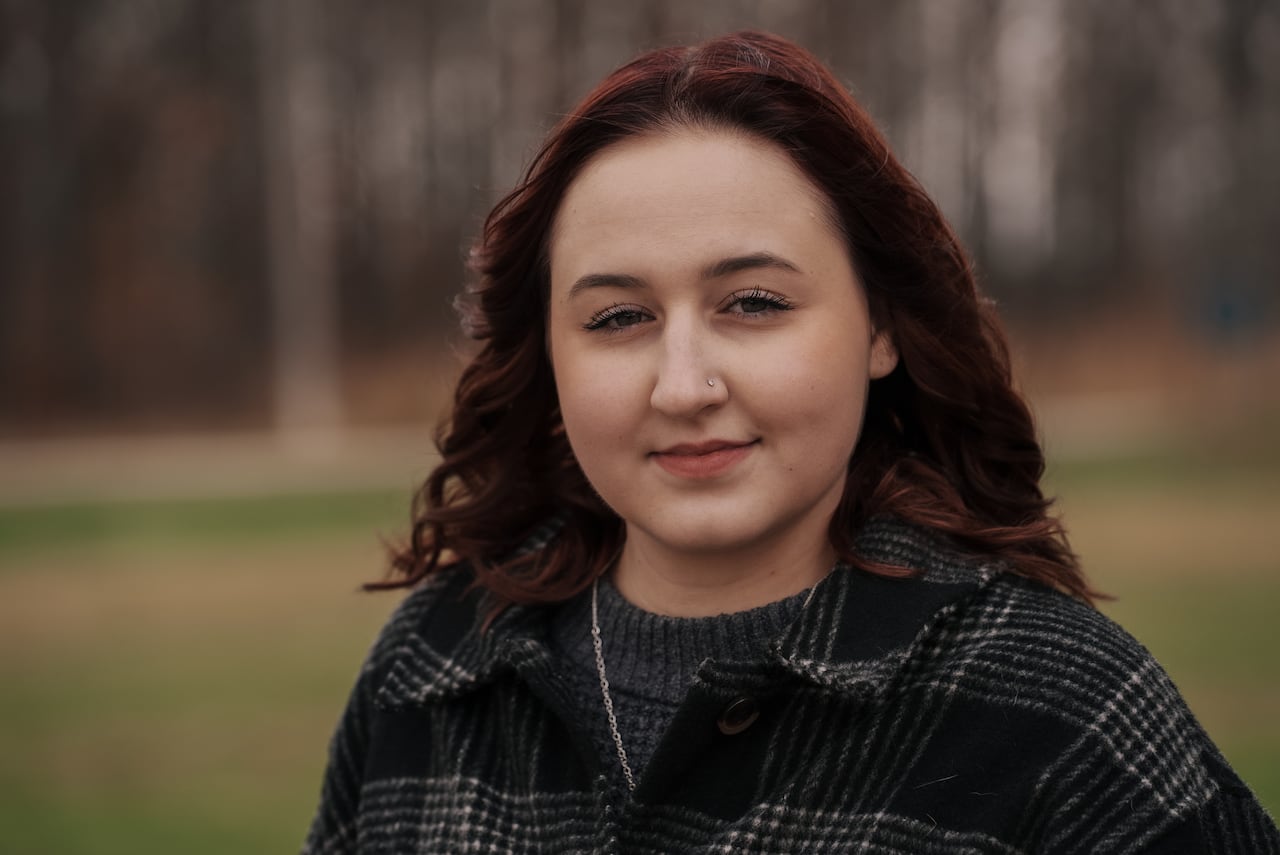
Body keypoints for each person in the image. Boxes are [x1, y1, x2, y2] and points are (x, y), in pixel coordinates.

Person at [302, 30, 1279, 854]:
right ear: (547, 365)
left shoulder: (1062, 708)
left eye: (753, 303)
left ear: (878, 330)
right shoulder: (431, 672)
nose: (683, 386)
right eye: (615, 319)